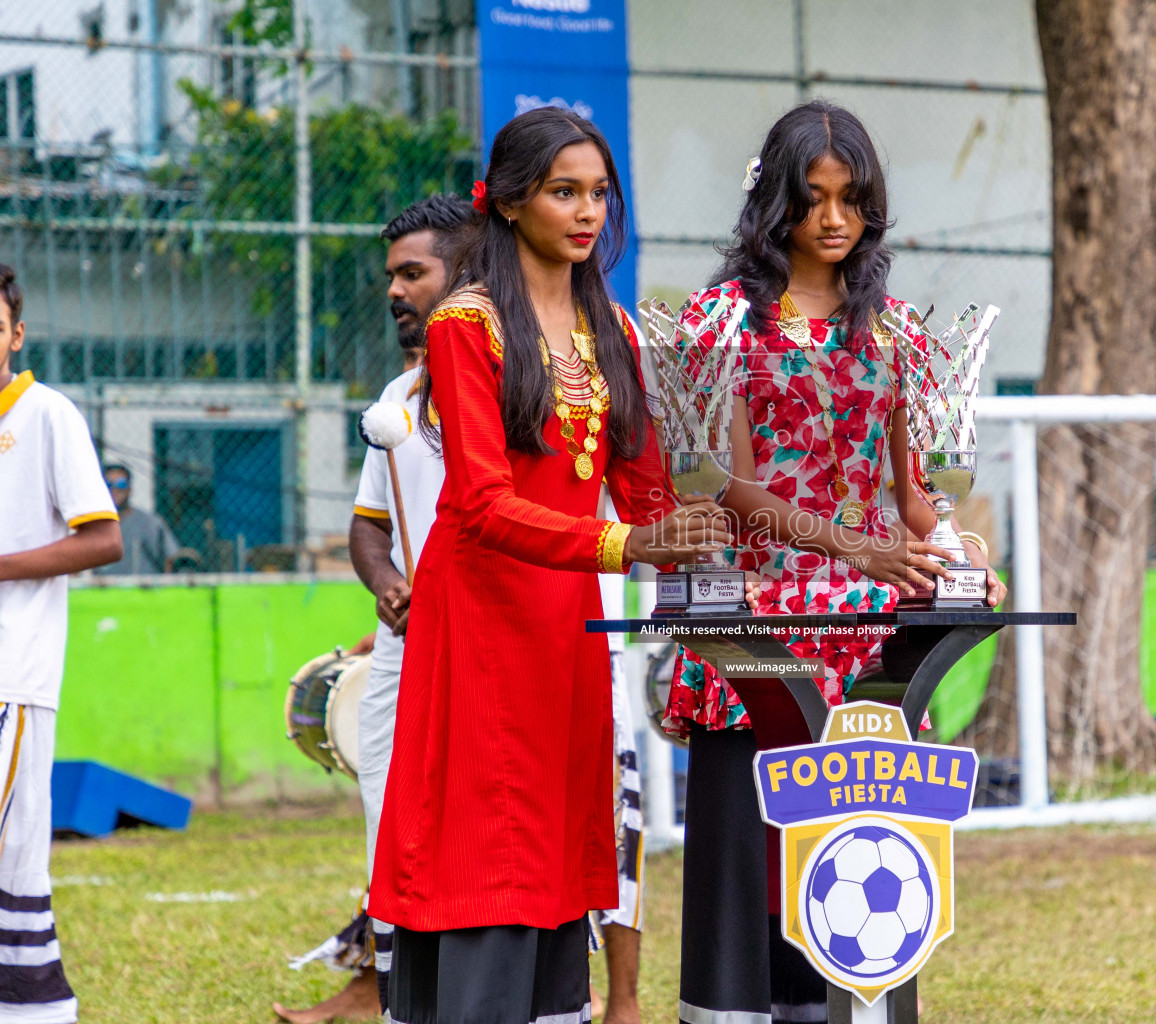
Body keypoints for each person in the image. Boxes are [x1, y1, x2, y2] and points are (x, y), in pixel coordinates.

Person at [369, 108, 730, 1024]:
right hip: (482, 612)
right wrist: (626, 546)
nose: (588, 213)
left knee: (564, 833)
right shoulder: (465, 324)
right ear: (511, 199)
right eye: (565, 192)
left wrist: (726, 559)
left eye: (600, 193)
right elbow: (483, 506)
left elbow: (648, 493)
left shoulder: (610, 323)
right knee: (490, 836)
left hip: (567, 620)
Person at [661, 101, 1005, 1024]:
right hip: (758, 616)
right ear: (774, 200)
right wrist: (861, 548)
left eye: (851, 199)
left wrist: (953, 551)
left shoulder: (893, 327)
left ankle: (856, 1004)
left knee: (864, 851)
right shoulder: (721, 318)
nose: (832, 219)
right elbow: (722, 482)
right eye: (811, 198)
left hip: (868, 626)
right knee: (753, 852)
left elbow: (917, 490)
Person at [274, 194, 475, 1024]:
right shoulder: (397, 395)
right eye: (391, 276)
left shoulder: (519, 381)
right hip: (410, 647)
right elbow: (368, 529)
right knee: (390, 823)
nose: (395, 291)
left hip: (498, 646)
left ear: (463, 273)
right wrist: (388, 583)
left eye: (412, 273)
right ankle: (396, 992)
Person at [0, 264, 123, 1024]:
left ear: (15, 333)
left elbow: (103, 538)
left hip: (12, 672)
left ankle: (36, 1009)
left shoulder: (46, 414)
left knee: (16, 855)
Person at [94, 464, 183, 575]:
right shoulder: (92, 526)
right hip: (100, 590)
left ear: (130, 490)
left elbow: (171, 559)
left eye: (121, 484)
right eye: (109, 484)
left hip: (141, 590)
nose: (115, 489)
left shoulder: (148, 523)